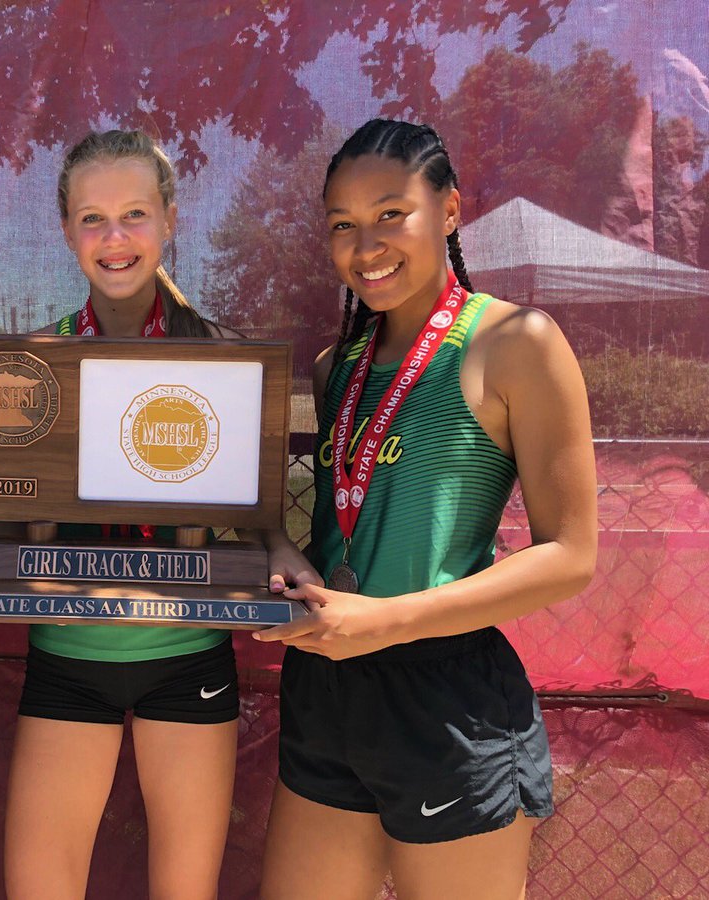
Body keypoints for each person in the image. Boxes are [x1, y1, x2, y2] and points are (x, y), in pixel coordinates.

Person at [255, 119, 598, 899]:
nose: (365, 244)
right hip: (326, 682)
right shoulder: (332, 364)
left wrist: (385, 621)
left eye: (389, 214)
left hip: (446, 697)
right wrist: (280, 563)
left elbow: (571, 556)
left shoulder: (518, 342)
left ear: (448, 211)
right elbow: (340, 521)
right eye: (342, 224)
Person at [3, 129, 314, 900]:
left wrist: (282, 551)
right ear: (67, 228)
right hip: (69, 663)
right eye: (92, 218)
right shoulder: (33, 362)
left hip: (188, 660)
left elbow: (258, 515)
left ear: (170, 219)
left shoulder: (225, 358)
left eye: (135, 214)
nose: (115, 238)